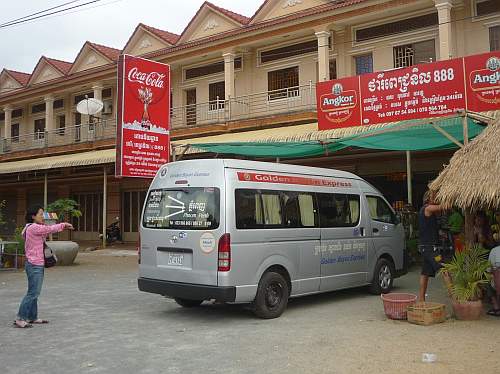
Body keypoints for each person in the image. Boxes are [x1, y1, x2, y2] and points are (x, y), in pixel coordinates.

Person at [14, 205, 73, 328]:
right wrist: (63, 225)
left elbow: (46, 229)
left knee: (34, 292)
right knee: (33, 293)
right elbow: (50, 229)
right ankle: (20, 318)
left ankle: (32, 317)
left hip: (34, 263)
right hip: (34, 264)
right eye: (40, 214)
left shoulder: (29, 228)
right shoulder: (33, 228)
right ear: (33, 216)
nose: (43, 216)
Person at [418, 190, 447, 302]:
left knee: (425, 273)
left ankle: (421, 300)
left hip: (426, 247)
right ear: (428, 199)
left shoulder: (425, 210)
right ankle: (455, 298)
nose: (437, 198)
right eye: (434, 196)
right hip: (430, 248)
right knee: (444, 268)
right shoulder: (428, 208)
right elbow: (445, 206)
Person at [486, 245, 500, 317]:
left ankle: (496, 307)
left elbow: (488, 269)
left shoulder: (494, 250)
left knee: (487, 280)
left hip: (497, 283)